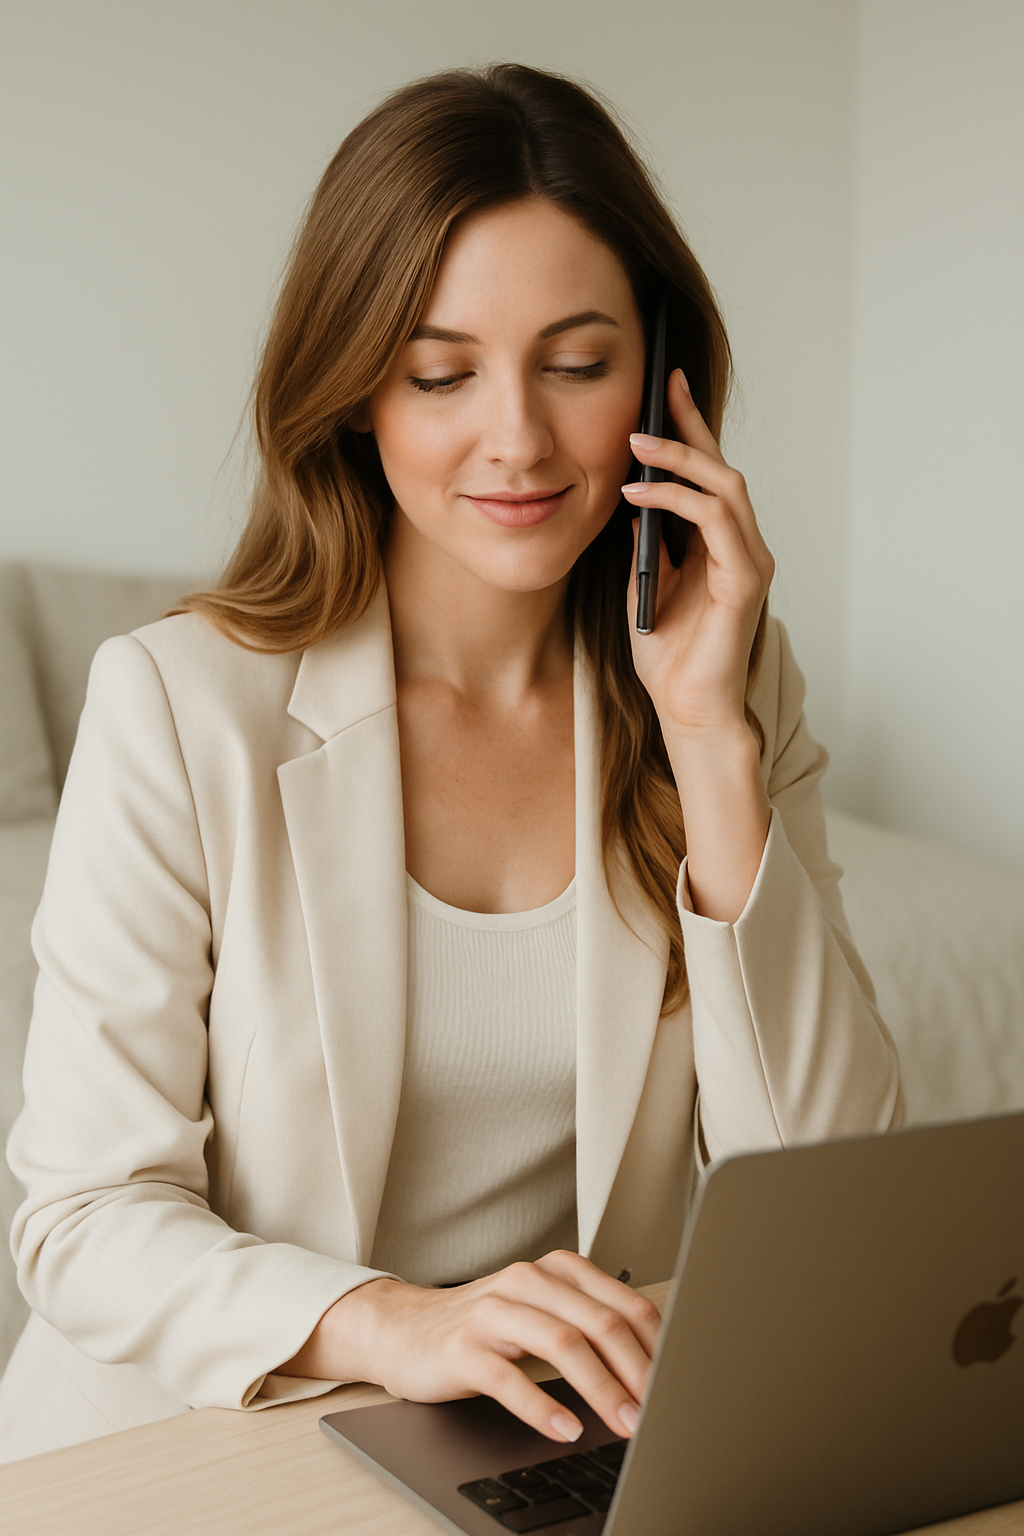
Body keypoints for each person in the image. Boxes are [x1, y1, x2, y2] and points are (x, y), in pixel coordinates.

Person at [0, 62, 902, 1463]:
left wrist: (713, 740)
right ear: (359, 389)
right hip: (198, 1444)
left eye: (578, 363)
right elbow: (81, 1219)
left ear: (662, 380)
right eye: (441, 373)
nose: (519, 440)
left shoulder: (725, 689)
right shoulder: (176, 706)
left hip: (542, 1454)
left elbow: (832, 1203)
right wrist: (402, 1322)